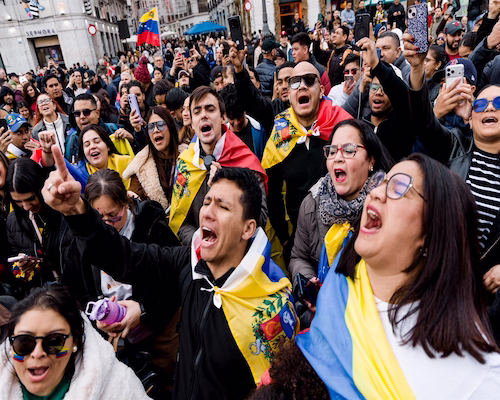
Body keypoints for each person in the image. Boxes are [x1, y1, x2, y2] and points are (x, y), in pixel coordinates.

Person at [41, 161, 299, 400]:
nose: (207, 212)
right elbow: (124, 257)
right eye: (207, 202)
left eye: (222, 206)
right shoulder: (188, 263)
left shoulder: (271, 305)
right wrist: (77, 212)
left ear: (248, 228)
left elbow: (276, 388)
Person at [269, 154, 500, 398]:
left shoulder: (478, 376)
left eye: (399, 187)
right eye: (381, 182)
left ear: (434, 232)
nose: (376, 193)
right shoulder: (341, 283)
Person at [404, 33, 500, 329]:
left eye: (498, 103)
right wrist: (418, 70)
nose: (490, 108)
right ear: (470, 118)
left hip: (485, 302)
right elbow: (424, 123)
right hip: (439, 283)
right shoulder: (455, 146)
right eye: (481, 105)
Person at [262, 62, 352, 262]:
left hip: (345, 239)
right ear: (290, 94)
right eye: (295, 82)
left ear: (321, 90)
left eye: (309, 81)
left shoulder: (343, 126)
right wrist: (286, 239)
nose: (302, 86)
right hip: (300, 243)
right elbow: (272, 192)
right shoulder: (280, 132)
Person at [290, 119, 394, 290]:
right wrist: (309, 284)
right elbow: (299, 257)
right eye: (332, 151)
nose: (337, 158)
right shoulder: (311, 204)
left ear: (371, 160)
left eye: (348, 150)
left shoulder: (387, 205)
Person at [0, 284, 149, 399]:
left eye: (54, 341)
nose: (37, 353)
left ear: (75, 341)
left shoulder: (121, 388)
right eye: (24, 343)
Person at [168, 86, 268, 245]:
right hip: (197, 255)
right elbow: (180, 218)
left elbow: (260, 218)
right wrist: (201, 242)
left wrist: (228, 187)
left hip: (237, 256)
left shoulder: (245, 161)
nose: (204, 116)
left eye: (210, 109)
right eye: (197, 111)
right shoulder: (185, 163)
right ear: (192, 124)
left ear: (223, 118)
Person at [5, 159, 73, 298]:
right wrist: (23, 268)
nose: (26, 206)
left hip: (77, 294)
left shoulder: (66, 212)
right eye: (18, 202)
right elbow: (17, 278)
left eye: (30, 198)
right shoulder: (14, 222)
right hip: (43, 300)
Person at [124, 107, 180, 210]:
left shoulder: (188, 155)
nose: (155, 130)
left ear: (170, 126)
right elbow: (137, 205)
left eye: (160, 125)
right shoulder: (140, 164)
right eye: (150, 127)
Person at [219, 84, 267, 159]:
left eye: (239, 116)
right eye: (232, 118)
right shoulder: (221, 136)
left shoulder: (259, 131)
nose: (236, 123)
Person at [31, 93, 73, 158]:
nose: (43, 104)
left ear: (54, 105)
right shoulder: (36, 131)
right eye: (40, 102)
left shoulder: (70, 121)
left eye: (46, 100)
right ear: (39, 110)